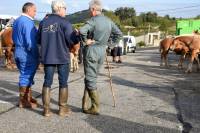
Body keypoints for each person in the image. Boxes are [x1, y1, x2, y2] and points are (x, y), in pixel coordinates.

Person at [80, 0, 123, 115]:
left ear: (93, 10)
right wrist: (109, 45)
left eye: (90, 10)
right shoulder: (109, 21)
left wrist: (85, 41)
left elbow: (81, 30)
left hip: (92, 51)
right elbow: (119, 34)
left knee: (90, 78)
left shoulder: (93, 20)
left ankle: (95, 107)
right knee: (92, 77)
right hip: (101, 52)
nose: (90, 12)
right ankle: (85, 104)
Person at [38, 0, 79, 117]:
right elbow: (72, 41)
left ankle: (46, 110)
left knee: (47, 82)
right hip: (62, 56)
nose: (66, 11)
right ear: (60, 8)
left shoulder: (43, 22)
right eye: (65, 8)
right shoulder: (65, 23)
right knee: (63, 82)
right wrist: (77, 36)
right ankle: (62, 108)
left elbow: (38, 40)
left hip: (47, 56)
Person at [12, 2, 39, 108]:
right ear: (28, 10)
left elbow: (14, 37)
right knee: (26, 75)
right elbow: (30, 42)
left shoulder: (17, 20)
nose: (35, 13)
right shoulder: (28, 22)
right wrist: (37, 55)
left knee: (25, 74)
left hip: (18, 50)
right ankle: (23, 101)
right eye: (34, 10)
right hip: (27, 53)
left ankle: (27, 97)